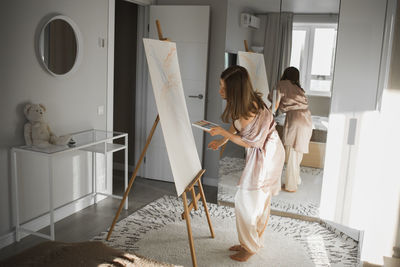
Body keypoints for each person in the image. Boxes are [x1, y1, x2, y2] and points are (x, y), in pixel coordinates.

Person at [207, 65, 285, 262]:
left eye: (223, 88)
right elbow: (237, 127)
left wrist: (223, 133)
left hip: (266, 155)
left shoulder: (250, 109)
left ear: (235, 89)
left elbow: (253, 142)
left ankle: (250, 247)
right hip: (263, 152)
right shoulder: (242, 104)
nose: (220, 91)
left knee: (247, 202)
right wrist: (223, 140)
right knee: (256, 202)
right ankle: (251, 242)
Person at [270, 67, 312, 192]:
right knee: (297, 153)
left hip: (295, 119)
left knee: (292, 152)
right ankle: (295, 179)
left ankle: (290, 186)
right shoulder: (299, 88)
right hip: (307, 119)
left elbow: (275, 102)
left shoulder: (282, 84)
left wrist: (271, 112)